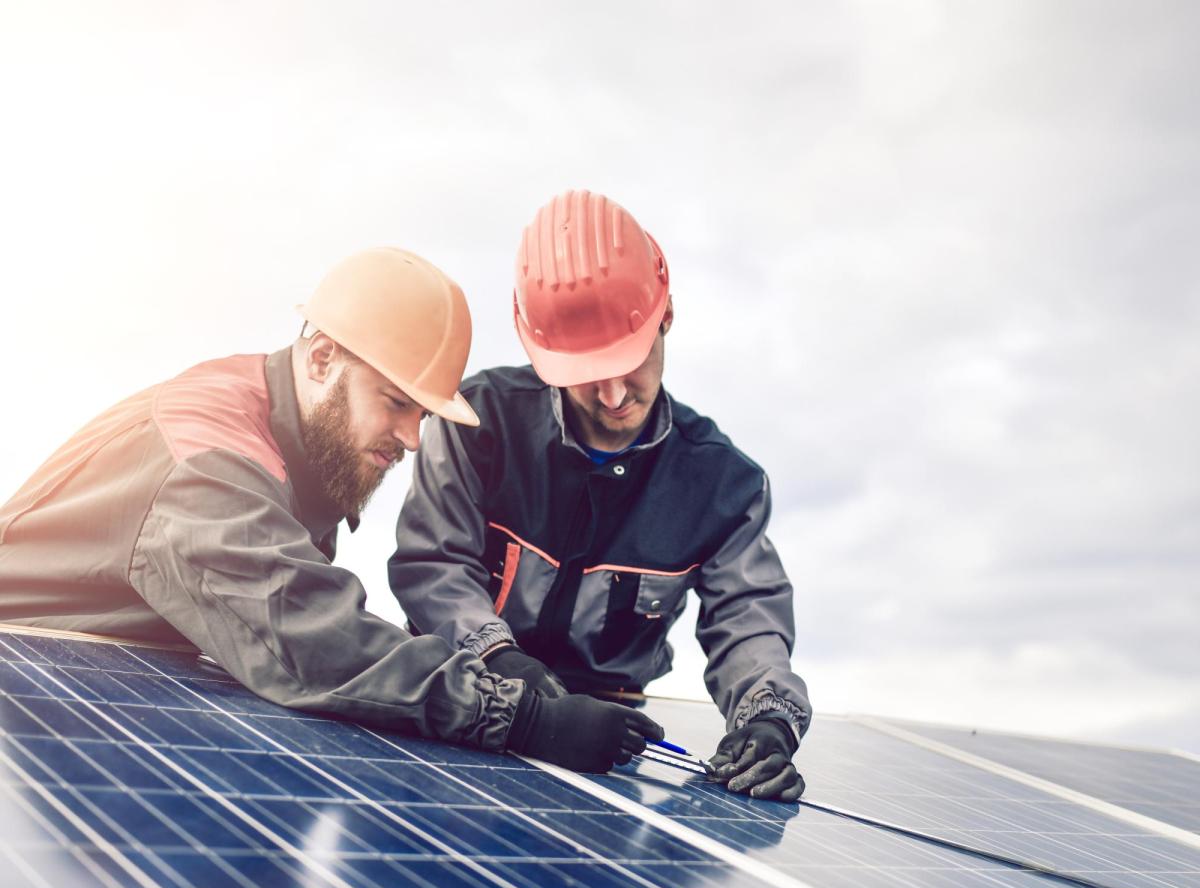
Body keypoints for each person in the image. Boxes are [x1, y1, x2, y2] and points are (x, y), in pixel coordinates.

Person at [0, 247, 660, 772]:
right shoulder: (208, 460)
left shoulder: (298, 441)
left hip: (90, 693)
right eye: (397, 402)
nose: (413, 438)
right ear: (322, 358)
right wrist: (518, 717)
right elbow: (308, 635)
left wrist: (490, 662)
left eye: (424, 414)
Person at [390, 192, 810, 801]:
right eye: (586, 373)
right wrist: (500, 663)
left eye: (630, 360)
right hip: (457, 711)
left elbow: (749, 620)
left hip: (610, 747)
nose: (613, 395)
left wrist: (768, 718)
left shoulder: (723, 488)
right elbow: (434, 565)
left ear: (665, 316)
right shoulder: (479, 424)